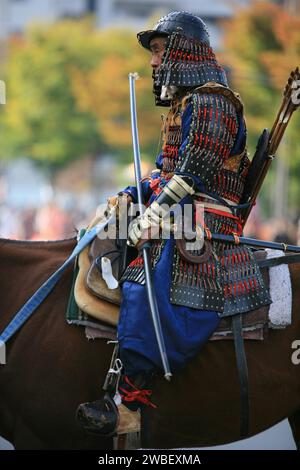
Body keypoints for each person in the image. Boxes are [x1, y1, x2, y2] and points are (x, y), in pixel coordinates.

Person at [77, 11, 271, 435]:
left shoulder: (214, 102)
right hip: (182, 209)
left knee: (146, 279)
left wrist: (151, 215)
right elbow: (165, 171)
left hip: (204, 219)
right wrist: (129, 197)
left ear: (183, 51)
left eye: (160, 50)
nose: (153, 62)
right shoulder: (187, 104)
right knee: (98, 242)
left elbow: (192, 173)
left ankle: (130, 398)